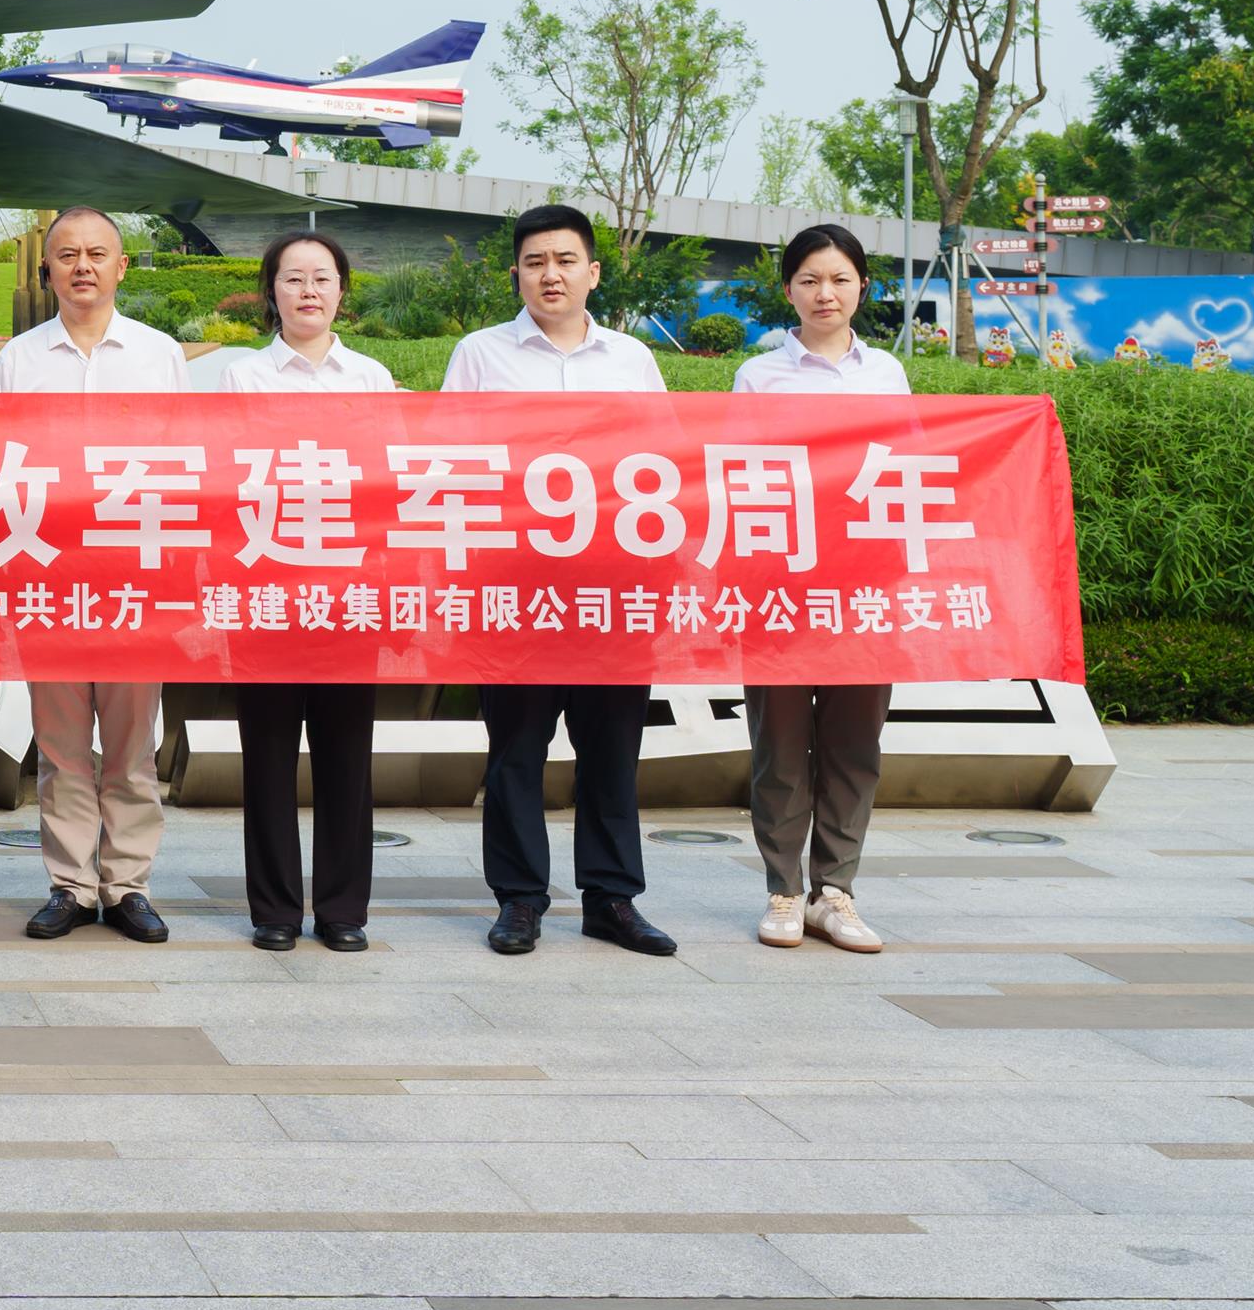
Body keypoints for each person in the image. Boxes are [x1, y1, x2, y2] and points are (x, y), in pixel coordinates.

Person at [441, 204, 679, 959]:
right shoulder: (481, 355)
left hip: (614, 585)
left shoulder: (631, 359)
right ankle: (519, 899)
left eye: (566, 260)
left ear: (593, 272)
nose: (551, 274)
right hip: (514, 585)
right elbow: (448, 461)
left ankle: (612, 899)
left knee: (612, 747)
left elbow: (670, 462)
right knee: (517, 747)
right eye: (536, 261)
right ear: (516, 272)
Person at [0, 204, 186, 944]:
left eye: (97, 253)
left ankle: (129, 884)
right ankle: (71, 885)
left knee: (133, 743)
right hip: (48, 574)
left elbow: (185, 463)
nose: (82, 266)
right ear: (47, 267)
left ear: (121, 267)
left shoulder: (159, 355)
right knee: (62, 742)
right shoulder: (17, 360)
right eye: (67, 254)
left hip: (136, 573)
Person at [213, 229, 396, 953]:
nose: (309, 290)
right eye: (293, 278)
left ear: (342, 291)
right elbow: (224, 480)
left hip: (351, 591)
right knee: (267, 755)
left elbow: (390, 482)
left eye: (322, 277)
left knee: (348, 755)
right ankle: (276, 909)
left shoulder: (372, 378)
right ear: (272, 292)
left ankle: (345, 908)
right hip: (266, 589)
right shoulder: (241, 379)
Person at [733, 221, 906, 955]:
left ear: (862, 286)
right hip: (780, 582)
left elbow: (905, 471)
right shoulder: (758, 375)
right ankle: (783, 888)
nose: (824, 293)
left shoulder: (887, 373)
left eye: (839, 279)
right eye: (809, 280)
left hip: (864, 583)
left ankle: (835, 891)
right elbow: (738, 475)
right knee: (779, 741)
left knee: (853, 741)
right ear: (789, 291)